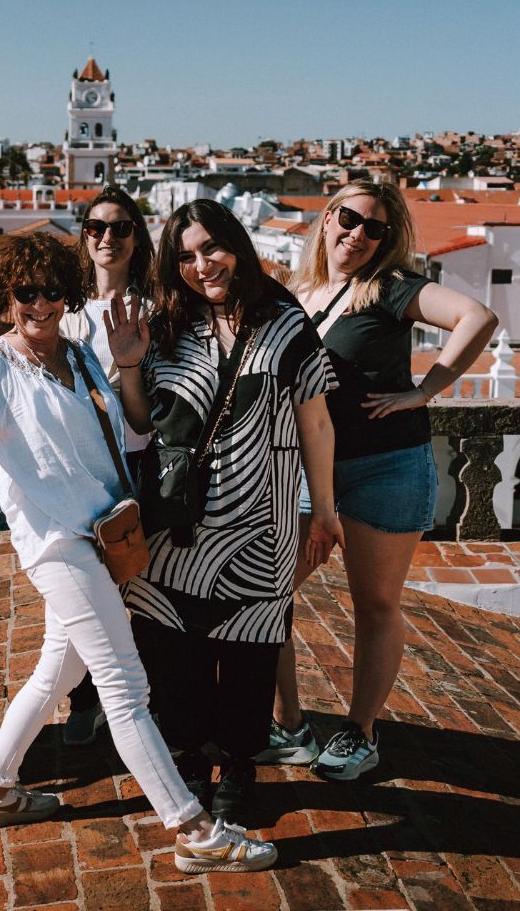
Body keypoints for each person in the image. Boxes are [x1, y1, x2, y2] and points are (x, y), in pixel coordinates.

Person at [0, 231, 278, 873]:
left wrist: (126, 363)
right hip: (57, 543)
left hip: (102, 538)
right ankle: (195, 829)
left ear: (68, 295)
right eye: (25, 292)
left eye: (51, 291)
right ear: (7, 295)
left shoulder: (80, 355)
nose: (38, 304)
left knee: (57, 673)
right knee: (125, 682)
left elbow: (133, 431)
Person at [107, 198, 342, 819]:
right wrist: (128, 364)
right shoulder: (166, 325)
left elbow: (317, 422)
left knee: (249, 657)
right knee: (173, 656)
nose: (202, 265)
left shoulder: (285, 322)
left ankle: (239, 763)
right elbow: (142, 422)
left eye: (211, 247)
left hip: (260, 528)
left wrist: (323, 509)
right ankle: (187, 758)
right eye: (186, 256)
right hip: (174, 528)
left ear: (236, 245)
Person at [278, 180, 497, 780]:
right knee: (267, 595)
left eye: (375, 229)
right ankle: (289, 725)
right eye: (350, 219)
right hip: (310, 470)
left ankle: (360, 732)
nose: (358, 235)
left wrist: (425, 390)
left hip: (386, 465)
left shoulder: (391, 287)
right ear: (328, 218)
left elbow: (477, 317)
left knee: (375, 603)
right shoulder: (297, 292)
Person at [56, 185, 154, 746]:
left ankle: (130, 696)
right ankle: (86, 697)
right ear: (84, 236)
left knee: (133, 585)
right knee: (84, 590)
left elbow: (143, 419)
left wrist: (129, 366)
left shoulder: (153, 310)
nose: (107, 237)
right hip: (77, 469)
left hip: (133, 465)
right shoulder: (64, 312)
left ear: (136, 237)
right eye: (96, 227)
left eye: (120, 227)